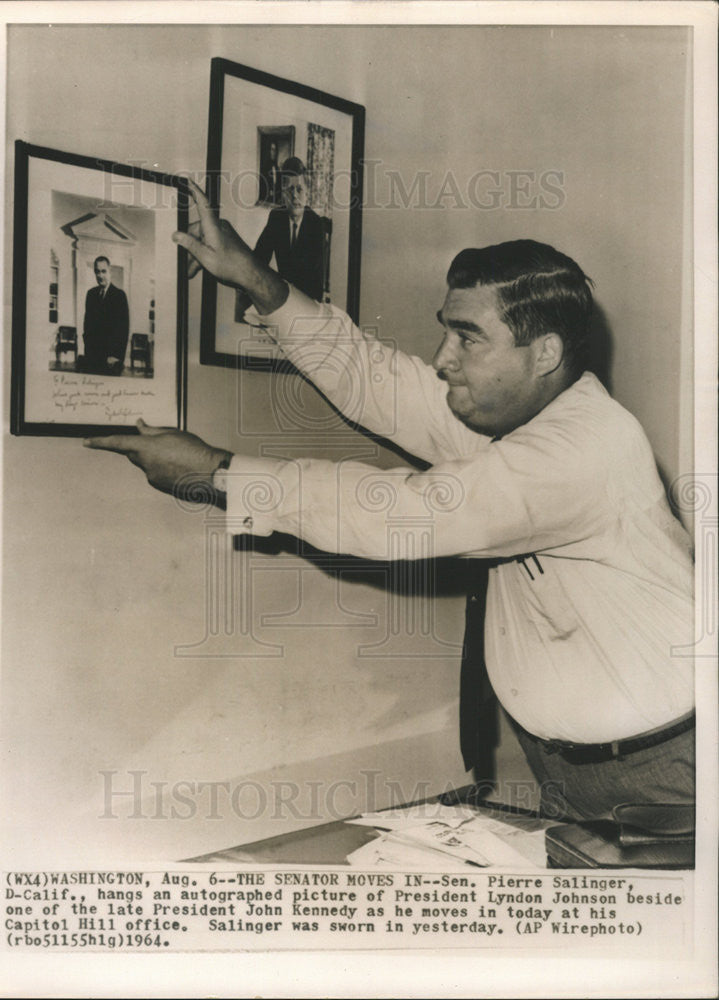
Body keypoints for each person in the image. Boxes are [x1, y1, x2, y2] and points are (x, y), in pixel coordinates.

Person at [85, 179, 695, 823]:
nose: (441, 358)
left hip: (664, 772)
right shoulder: (514, 417)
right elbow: (375, 379)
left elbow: (403, 515)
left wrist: (217, 472)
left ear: (543, 353)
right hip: (570, 770)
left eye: (467, 337)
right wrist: (259, 281)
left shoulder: (587, 447)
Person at [252, 156, 327, 302]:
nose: (294, 196)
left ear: (307, 193)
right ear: (282, 193)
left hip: (307, 300)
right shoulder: (276, 217)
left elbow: (315, 282)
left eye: (299, 189)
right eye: (289, 190)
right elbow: (260, 258)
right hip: (282, 296)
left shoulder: (316, 225)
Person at [81, 255, 130, 376]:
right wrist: (88, 350)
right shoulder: (91, 294)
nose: (100, 275)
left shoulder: (119, 295)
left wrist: (116, 356)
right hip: (92, 357)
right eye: (97, 272)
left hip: (111, 360)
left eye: (103, 271)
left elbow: (123, 329)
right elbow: (87, 325)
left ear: (110, 271)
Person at [259, 139, 281, 205]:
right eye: (272, 149)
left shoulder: (277, 167)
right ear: (268, 151)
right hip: (266, 201)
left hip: (275, 201)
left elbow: (278, 185)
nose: (274, 152)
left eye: (275, 150)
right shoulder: (263, 168)